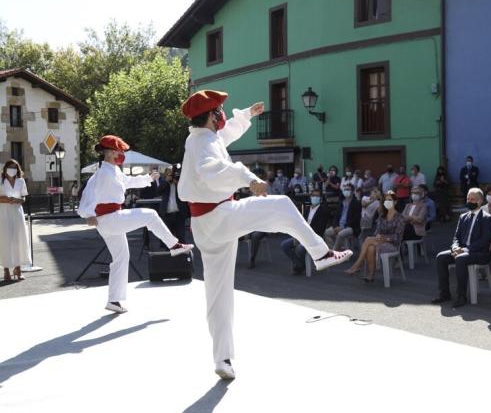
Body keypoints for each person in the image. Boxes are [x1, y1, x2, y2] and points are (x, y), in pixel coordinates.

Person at [177, 90, 352, 380]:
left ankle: (222, 358)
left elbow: (224, 137)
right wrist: (250, 179)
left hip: (203, 225)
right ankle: (320, 253)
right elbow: (214, 169)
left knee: (218, 294)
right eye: (220, 110)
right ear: (211, 115)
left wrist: (245, 115)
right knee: (282, 205)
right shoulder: (205, 144)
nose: (223, 114)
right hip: (220, 216)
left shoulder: (199, 138)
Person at [79, 135, 194, 314]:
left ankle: (114, 300)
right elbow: (88, 196)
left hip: (109, 220)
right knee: (150, 215)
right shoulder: (103, 174)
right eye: (119, 150)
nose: (121, 153)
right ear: (109, 152)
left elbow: (128, 182)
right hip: (109, 218)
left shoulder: (112, 170)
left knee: (121, 257)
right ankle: (174, 245)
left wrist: (148, 178)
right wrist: (88, 214)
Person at [432, 188, 491, 308]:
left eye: (473, 199)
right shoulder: (463, 217)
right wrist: (455, 247)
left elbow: (484, 241)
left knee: (460, 258)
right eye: (468, 199)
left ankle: (461, 296)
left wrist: (464, 250)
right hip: (462, 251)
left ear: (480, 201)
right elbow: (456, 237)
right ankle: (444, 294)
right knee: (441, 257)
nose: (469, 201)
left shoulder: (487, 218)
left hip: (480, 253)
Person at [344, 191, 405, 282]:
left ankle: (358, 266)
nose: (387, 202)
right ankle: (370, 274)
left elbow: (398, 237)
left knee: (368, 240)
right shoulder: (382, 216)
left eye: (390, 200)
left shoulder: (400, 217)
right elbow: (377, 232)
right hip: (379, 241)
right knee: (371, 247)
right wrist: (379, 236)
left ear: (395, 202)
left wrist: (385, 238)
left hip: (392, 244)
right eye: (385, 200)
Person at [281, 188, 331, 275]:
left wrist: (304, 235)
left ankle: (298, 266)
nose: (314, 197)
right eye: (313, 195)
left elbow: (320, 229)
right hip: (302, 235)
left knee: (300, 248)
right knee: (285, 245)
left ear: (320, 198)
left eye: (317, 196)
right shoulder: (307, 209)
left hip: (314, 237)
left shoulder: (324, 211)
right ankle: (300, 264)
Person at [0, 159, 30, 281]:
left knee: (19, 239)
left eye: (14, 167)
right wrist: (6, 200)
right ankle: (6, 269)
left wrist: (18, 200)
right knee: (5, 240)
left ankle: (18, 268)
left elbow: (23, 197)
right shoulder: (1, 181)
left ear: (17, 169)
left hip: (17, 212)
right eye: (10, 167)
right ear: (5, 169)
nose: (12, 169)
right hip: (3, 212)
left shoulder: (21, 181)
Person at [324, 183, 362, 251]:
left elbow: (356, 219)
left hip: (350, 227)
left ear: (352, 191)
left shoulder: (356, 203)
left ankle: (334, 252)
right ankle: (334, 249)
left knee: (340, 234)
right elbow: (336, 216)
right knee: (326, 233)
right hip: (339, 226)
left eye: (348, 189)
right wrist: (335, 226)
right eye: (345, 189)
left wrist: (343, 227)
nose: (346, 191)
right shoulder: (341, 203)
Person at [158, 166, 189, 243]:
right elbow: (158, 192)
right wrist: (166, 181)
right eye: (169, 174)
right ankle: (169, 254)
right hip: (167, 214)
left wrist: (178, 183)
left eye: (172, 174)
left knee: (181, 238)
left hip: (179, 214)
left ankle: (183, 254)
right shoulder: (163, 182)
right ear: (166, 175)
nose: (171, 176)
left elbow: (186, 193)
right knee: (169, 239)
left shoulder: (179, 182)